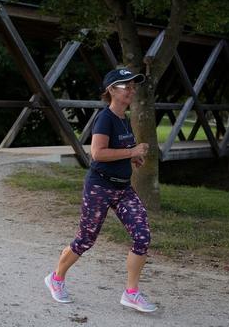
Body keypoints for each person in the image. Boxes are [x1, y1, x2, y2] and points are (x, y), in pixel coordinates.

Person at [44, 67, 157, 312]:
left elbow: (119, 151)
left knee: (142, 235)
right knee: (86, 239)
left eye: (132, 86)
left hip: (123, 189)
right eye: (125, 85)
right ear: (111, 91)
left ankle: (131, 292)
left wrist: (132, 158)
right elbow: (97, 153)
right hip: (100, 187)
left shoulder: (124, 119)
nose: (131, 90)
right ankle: (56, 278)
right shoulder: (105, 118)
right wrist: (131, 152)